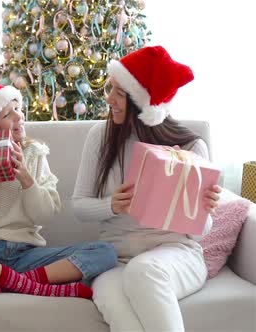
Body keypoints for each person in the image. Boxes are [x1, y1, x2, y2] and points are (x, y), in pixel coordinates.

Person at [72, 45, 222, 331]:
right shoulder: (100, 137)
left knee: (144, 272)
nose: (109, 98)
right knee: (119, 305)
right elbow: (78, 205)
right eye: (110, 88)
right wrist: (111, 205)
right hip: (116, 260)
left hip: (176, 256)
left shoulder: (191, 147)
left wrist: (203, 209)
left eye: (118, 92)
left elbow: (199, 233)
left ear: (140, 101)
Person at [0, 78, 117, 298]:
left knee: (105, 253)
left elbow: (45, 215)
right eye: (7, 114)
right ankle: (27, 283)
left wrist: (27, 180)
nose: (19, 116)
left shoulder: (35, 154)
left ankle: (12, 283)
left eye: (18, 109)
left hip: (27, 255)